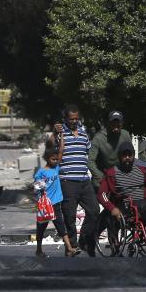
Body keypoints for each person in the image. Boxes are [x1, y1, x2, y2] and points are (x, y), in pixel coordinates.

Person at [51, 104, 99, 257]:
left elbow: (88, 153)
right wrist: (54, 132)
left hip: (84, 181)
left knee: (94, 210)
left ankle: (84, 238)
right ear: (66, 119)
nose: (74, 121)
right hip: (67, 182)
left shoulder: (84, 134)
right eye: (71, 119)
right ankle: (72, 245)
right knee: (69, 216)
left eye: (77, 119)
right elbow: (50, 147)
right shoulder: (60, 133)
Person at [34, 148, 79, 258]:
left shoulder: (57, 168)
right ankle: (38, 249)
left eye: (56, 159)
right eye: (53, 159)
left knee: (60, 225)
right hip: (45, 205)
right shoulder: (41, 172)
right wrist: (41, 186)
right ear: (47, 159)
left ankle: (69, 248)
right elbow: (35, 186)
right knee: (41, 228)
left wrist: (61, 134)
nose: (55, 161)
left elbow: (61, 152)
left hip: (55, 203)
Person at [89, 111, 133, 188]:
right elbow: (90, 161)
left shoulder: (125, 135)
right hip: (103, 177)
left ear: (122, 123)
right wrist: (101, 177)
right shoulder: (98, 138)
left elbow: (131, 155)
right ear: (108, 123)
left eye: (118, 122)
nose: (116, 125)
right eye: (113, 122)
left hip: (120, 177)